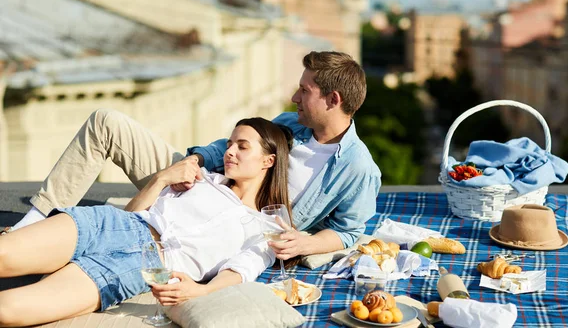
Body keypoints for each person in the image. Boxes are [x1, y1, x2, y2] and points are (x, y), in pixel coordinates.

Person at [7, 51, 381, 260]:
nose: (294, 98)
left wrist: (310, 243)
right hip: (204, 183)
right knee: (108, 121)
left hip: (233, 226)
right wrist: (196, 161)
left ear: (333, 100)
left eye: (304, 90)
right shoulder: (288, 124)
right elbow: (232, 144)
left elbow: (350, 231)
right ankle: (33, 222)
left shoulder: (358, 168)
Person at [0, 118, 292, 327]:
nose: (229, 151)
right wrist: (162, 179)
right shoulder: (202, 179)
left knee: (8, 310)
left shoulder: (267, 227)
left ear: (268, 161)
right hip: (111, 226)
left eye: (242, 146)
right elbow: (131, 214)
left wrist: (200, 290)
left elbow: (240, 271)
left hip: (143, 266)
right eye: (229, 144)